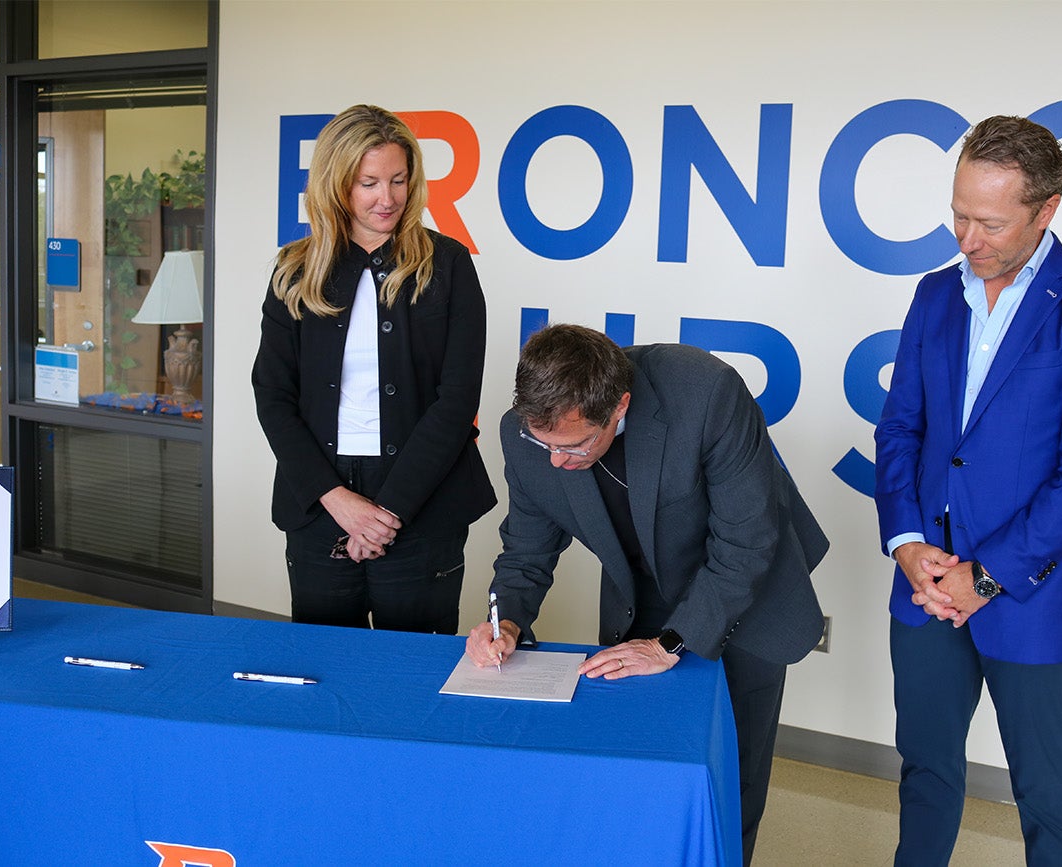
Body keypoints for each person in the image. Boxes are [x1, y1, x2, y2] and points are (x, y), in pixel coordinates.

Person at [874, 116, 1062, 866]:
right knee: (925, 775)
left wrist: (982, 576)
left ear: (1046, 210)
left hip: (1031, 593)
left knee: (1048, 792)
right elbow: (900, 430)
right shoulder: (934, 296)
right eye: (958, 213)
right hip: (923, 586)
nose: (966, 238)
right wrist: (908, 543)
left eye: (990, 222)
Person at [464, 324, 828, 864]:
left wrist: (670, 642)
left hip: (747, 596)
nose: (557, 461)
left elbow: (745, 542)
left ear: (620, 406)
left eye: (574, 445)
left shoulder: (705, 391)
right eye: (546, 444)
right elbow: (526, 549)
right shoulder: (526, 438)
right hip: (643, 592)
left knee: (728, 775)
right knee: (641, 760)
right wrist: (507, 622)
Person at [253, 104, 496, 633]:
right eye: (368, 183)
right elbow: (272, 395)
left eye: (398, 180)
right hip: (320, 500)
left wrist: (385, 514)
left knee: (414, 676)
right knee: (324, 671)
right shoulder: (294, 270)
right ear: (336, 184)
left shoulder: (448, 264)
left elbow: (455, 402)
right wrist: (339, 502)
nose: (387, 198)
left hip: (423, 498)